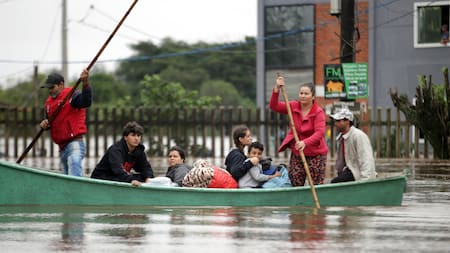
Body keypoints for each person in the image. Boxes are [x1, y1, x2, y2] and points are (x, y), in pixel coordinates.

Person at [270, 75, 328, 186]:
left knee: (316, 184)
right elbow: (274, 106)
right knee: (295, 181)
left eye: (306, 94)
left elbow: (319, 133)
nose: (303, 96)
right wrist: (277, 88)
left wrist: (304, 142)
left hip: (316, 153)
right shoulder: (293, 106)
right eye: (301, 93)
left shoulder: (318, 112)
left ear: (313, 97)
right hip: (297, 152)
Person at [39, 69, 92, 177]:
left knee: (74, 162)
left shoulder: (72, 95)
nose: (50, 91)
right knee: (66, 176)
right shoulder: (48, 102)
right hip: (62, 148)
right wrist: (45, 124)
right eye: (48, 88)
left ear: (61, 85)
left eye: (52, 87)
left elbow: (86, 102)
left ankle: (76, 190)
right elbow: (49, 121)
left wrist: (85, 83)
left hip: (75, 143)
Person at [90, 121, 155, 186]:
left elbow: (146, 168)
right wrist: (131, 180)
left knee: (144, 177)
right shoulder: (116, 150)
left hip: (118, 178)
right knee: (124, 178)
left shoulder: (138, 150)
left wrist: (148, 178)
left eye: (138, 135)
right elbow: (118, 171)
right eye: (133, 135)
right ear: (125, 137)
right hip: (102, 179)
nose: (136, 138)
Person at [329, 108, 376, 183]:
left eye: (338, 121)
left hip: (357, 173)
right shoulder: (342, 137)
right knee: (336, 182)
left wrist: (366, 180)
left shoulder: (358, 136)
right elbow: (341, 162)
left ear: (347, 121)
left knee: (335, 182)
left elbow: (366, 159)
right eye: (335, 121)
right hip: (349, 171)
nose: (335, 123)